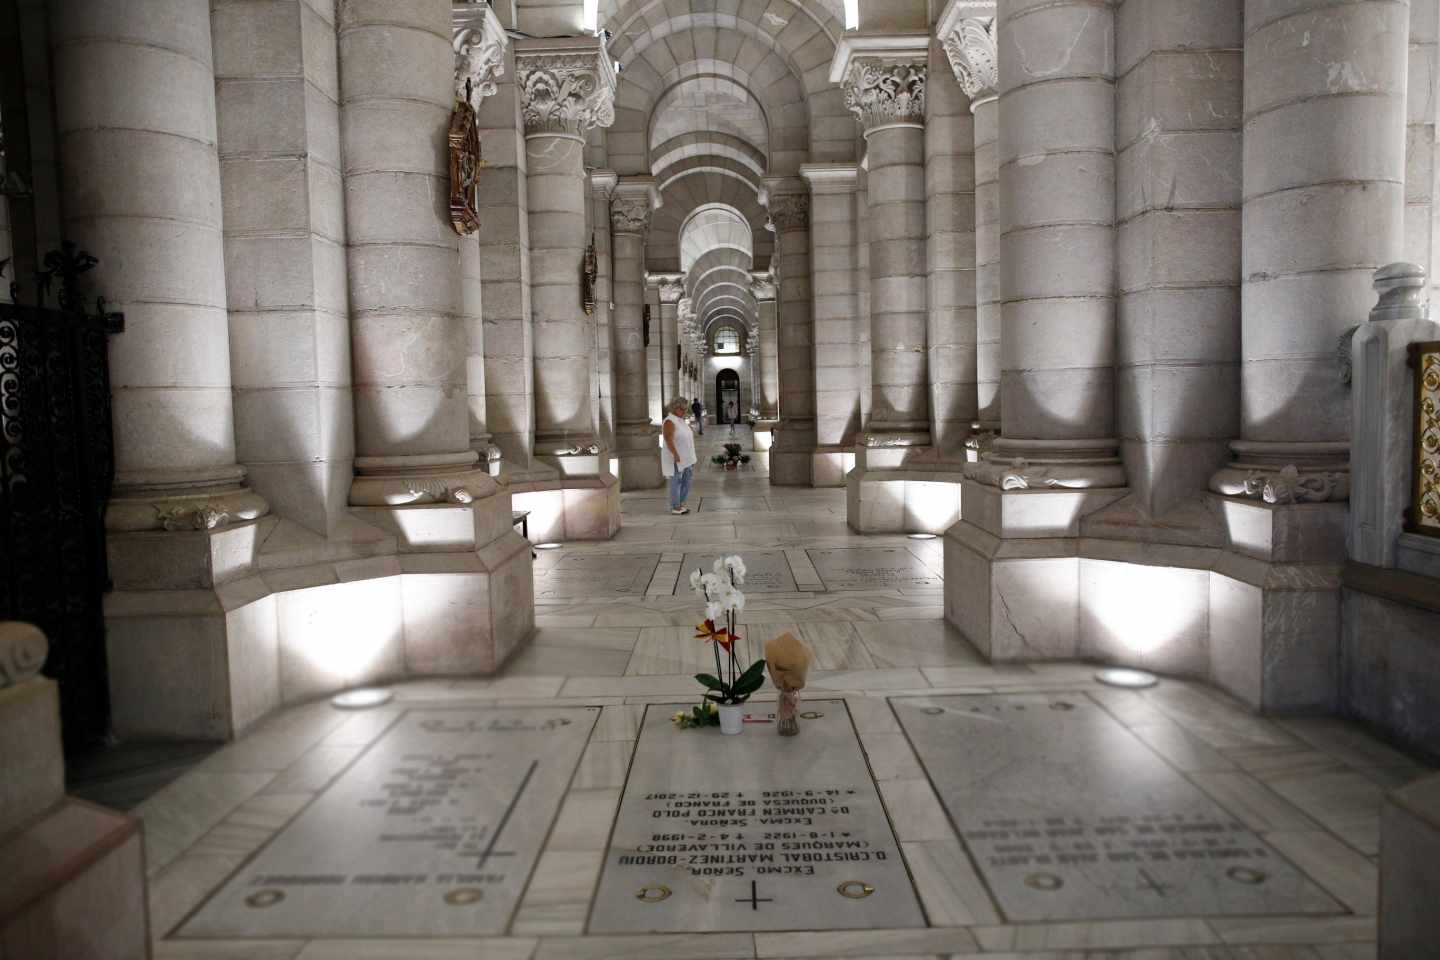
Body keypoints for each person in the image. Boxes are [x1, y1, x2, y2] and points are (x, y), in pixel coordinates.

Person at [661, 397, 697, 515]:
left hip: (687, 457)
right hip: (677, 457)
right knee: (677, 481)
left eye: (686, 409)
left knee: (687, 481)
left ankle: (680, 503)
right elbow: (668, 439)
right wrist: (675, 454)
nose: (684, 411)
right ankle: (675, 506)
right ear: (675, 408)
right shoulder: (669, 421)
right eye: (682, 409)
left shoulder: (680, 420)